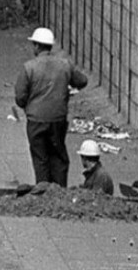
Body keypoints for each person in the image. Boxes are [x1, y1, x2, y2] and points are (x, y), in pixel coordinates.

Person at [14, 27, 89, 188]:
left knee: (40, 157)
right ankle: (59, 191)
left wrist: (30, 102)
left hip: (36, 120)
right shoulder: (64, 65)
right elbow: (82, 81)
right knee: (58, 157)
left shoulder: (29, 67)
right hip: (58, 119)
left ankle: (42, 191)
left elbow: (20, 98)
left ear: (36, 46)